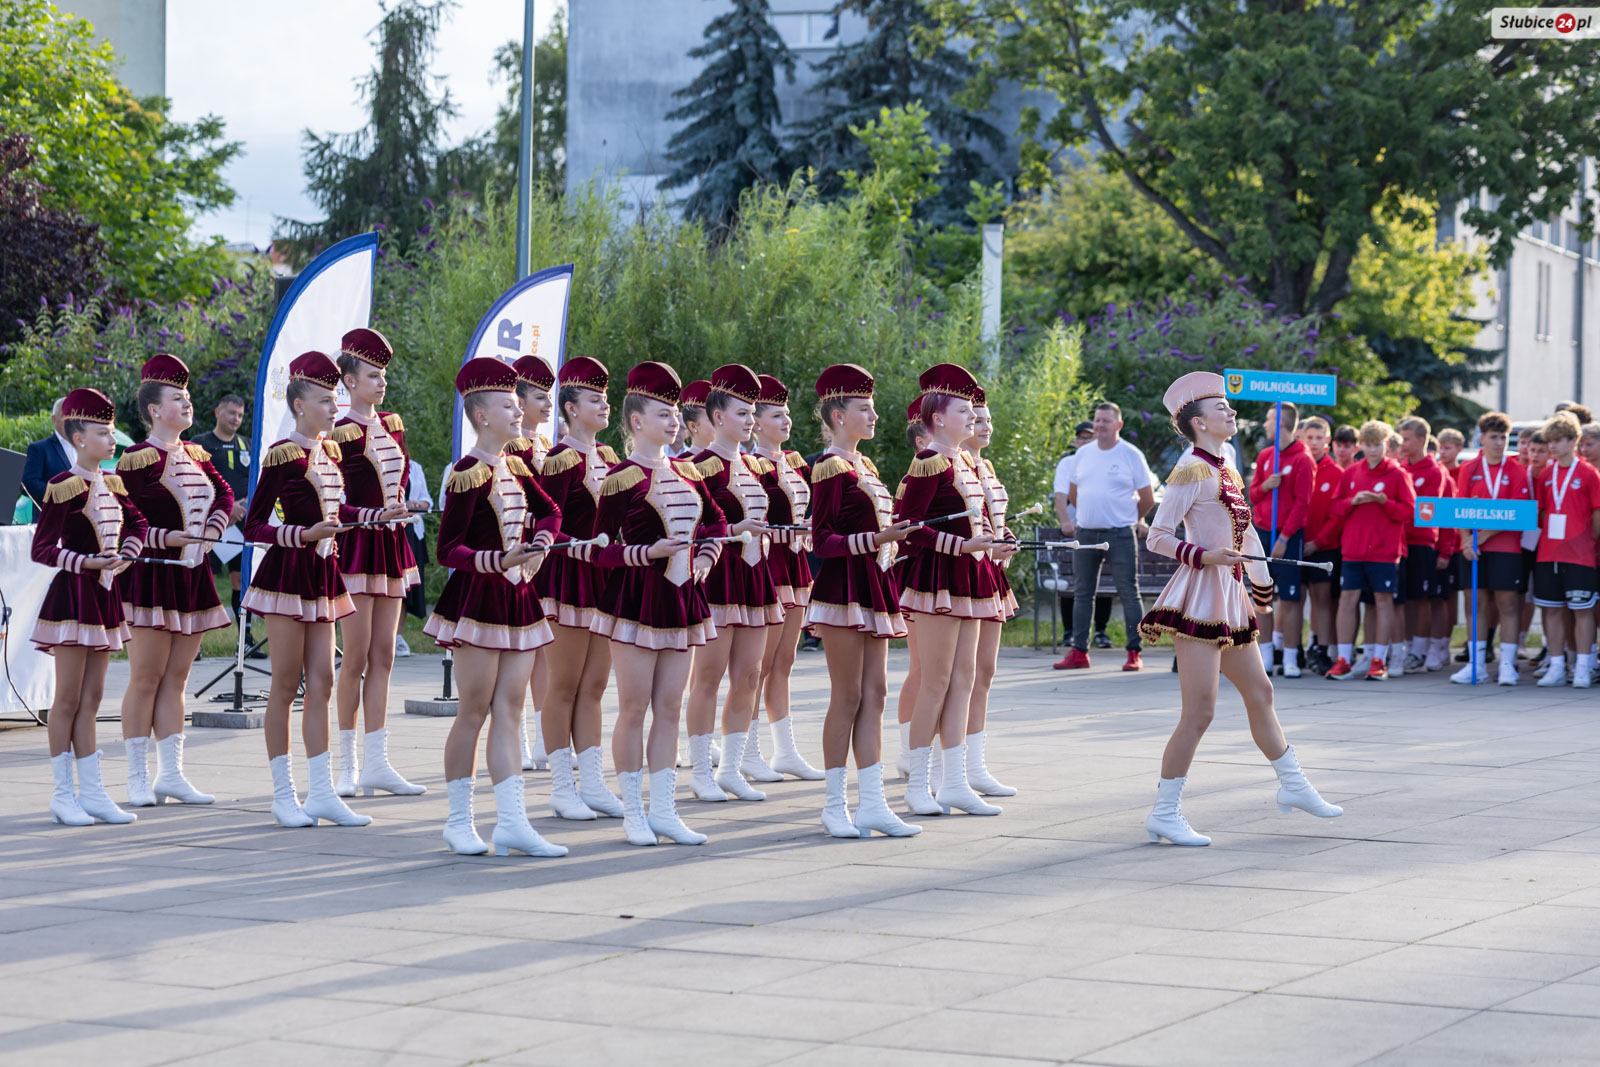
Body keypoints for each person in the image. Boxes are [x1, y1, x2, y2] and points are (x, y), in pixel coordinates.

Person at [1137, 371, 1341, 846]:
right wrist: (1204, 555)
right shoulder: (1190, 469)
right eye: (1221, 408)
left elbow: (1245, 533)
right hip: (1199, 595)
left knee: (1261, 692)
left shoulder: (1225, 464)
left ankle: (1293, 785)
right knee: (1200, 711)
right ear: (1199, 423)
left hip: (1229, 595)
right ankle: (1164, 812)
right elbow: (1157, 536)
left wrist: (1262, 584)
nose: (1231, 412)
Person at [425, 357, 566, 857]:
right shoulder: (466, 473)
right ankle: (458, 821)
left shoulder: (519, 466)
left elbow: (551, 511)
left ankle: (512, 822)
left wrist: (542, 543)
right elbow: (447, 550)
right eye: (509, 405)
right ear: (482, 416)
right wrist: (498, 560)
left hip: (518, 597)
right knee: (473, 710)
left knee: (511, 707)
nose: (519, 412)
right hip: (479, 599)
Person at [590, 361, 724, 846]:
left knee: (670, 706)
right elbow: (598, 550)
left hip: (683, 598)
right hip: (636, 599)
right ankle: (633, 812)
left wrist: (706, 558)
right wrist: (645, 553)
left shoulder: (689, 471)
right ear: (636, 421)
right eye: (662, 414)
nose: (673, 421)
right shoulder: (621, 477)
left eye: (674, 413)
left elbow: (716, 522)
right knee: (633, 706)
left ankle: (664, 811)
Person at [241, 351, 373, 829]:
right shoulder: (282, 454)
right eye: (325, 400)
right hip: (287, 576)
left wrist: (379, 515)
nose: (335, 407)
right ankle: (283, 796)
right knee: (284, 683)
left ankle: (321, 793)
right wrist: (302, 535)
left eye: (335, 398)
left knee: (324, 681)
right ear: (299, 405)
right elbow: (254, 525)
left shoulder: (330, 453)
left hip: (323, 576)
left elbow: (341, 510)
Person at [115, 355, 235, 808]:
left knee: (177, 680)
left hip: (193, 577)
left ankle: (171, 775)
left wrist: (214, 529)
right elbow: (125, 518)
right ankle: (135, 776)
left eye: (188, 397)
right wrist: (165, 537)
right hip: (151, 577)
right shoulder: (136, 459)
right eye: (177, 398)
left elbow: (224, 494)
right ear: (153, 410)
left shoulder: (198, 455)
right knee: (146, 677)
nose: (187, 404)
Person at [806, 363, 918, 838]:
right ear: (838, 415)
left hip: (874, 584)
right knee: (847, 695)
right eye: (864, 409)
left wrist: (895, 538)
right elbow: (821, 540)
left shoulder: (864, 466)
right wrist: (877, 538)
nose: (874, 416)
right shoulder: (829, 467)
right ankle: (834, 806)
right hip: (842, 589)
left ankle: (872, 804)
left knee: (876, 694)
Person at [32, 388, 146, 826]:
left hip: (104, 596)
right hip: (73, 597)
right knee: (67, 698)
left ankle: (93, 793)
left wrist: (127, 554)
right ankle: (63, 795)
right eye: (103, 433)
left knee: (93, 698)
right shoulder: (63, 485)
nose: (112, 439)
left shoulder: (113, 482)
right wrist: (86, 562)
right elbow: (42, 548)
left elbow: (138, 524)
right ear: (79, 438)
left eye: (112, 431)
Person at [896, 363, 1003, 818]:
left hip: (970, 577)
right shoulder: (928, 462)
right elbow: (907, 528)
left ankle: (955, 782)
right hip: (937, 579)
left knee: (964, 679)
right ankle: (918, 784)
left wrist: (995, 542)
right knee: (935, 681)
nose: (972, 417)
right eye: (963, 411)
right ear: (938, 418)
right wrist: (961, 545)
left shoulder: (966, 463)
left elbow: (977, 521)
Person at [329, 328, 426, 799]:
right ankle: (346, 763)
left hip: (391, 546)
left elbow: (398, 480)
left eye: (384, 374)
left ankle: (377, 762)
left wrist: (402, 505)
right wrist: (372, 515)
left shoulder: (393, 424)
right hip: (356, 547)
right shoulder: (337, 432)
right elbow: (332, 500)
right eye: (372, 374)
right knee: (355, 657)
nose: (381, 382)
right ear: (349, 380)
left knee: (385, 656)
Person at [533, 355, 627, 820]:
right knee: (564, 684)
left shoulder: (611, 458)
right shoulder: (559, 459)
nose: (604, 405)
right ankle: (560, 786)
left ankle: (592, 782)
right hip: (568, 576)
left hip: (604, 578)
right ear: (571, 408)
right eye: (594, 399)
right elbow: (544, 522)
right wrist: (582, 545)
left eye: (606, 398)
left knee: (594, 685)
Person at [686, 364, 785, 804]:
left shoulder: (758, 466)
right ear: (717, 416)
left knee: (749, 675)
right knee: (707, 677)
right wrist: (731, 531)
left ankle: (731, 767)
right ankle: (700, 771)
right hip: (717, 576)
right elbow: (687, 528)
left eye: (751, 413)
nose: (749, 420)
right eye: (741, 413)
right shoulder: (697, 467)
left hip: (755, 576)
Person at [747, 374, 825, 782]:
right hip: (766, 564)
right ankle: (747, 749)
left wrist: (809, 524)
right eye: (777, 415)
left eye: (787, 413)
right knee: (758, 665)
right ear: (756, 422)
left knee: (785, 661)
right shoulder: (749, 465)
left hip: (795, 565)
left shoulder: (795, 462)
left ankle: (785, 750)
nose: (786, 420)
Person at [1063, 402, 1156, 671]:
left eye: (1106, 420)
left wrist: (1126, 518)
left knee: (1128, 591)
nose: (1100, 425)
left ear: (1119, 425)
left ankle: (1134, 652)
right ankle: (1079, 652)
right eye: (1097, 420)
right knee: (1082, 592)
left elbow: (1148, 498)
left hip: (1120, 534)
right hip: (1086, 533)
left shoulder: (1131, 454)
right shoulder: (1083, 454)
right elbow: (1073, 493)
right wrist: (1091, 514)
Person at [1322, 421, 1416, 681]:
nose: (1373, 449)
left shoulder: (1397, 474)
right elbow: (1335, 508)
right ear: (1361, 445)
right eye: (1368, 444)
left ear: (1386, 445)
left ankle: (1379, 661)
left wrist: (1385, 502)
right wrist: (1352, 501)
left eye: (1378, 445)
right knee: (1347, 600)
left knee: (1383, 601)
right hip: (1353, 550)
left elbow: (1409, 512)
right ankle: (1343, 660)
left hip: (1384, 551)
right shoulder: (1352, 472)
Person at [506, 354, 562, 775]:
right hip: (516, 548)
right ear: (519, 401)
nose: (547, 404)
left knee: (545, 647)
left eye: (549, 396)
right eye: (539, 397)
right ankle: (518, 737)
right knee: (517, 646)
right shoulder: (507, 447)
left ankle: (546, 737)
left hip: (548, 550)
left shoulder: (550, 447)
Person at [964, 392, 1019, 797]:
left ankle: (975, 764)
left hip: (990, 575)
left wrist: (1006, 539)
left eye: (987, 420)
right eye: (976, 419)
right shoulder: (945, 464)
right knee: (955, 677)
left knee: (984, 672)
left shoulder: (985, 467)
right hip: (959, 578)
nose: (985, 426)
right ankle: (940, 764)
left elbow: (992, 520)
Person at [1452, 411, 1533, 686]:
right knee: (1475, 604)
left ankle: (1508, 665)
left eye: (1503, 437)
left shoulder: (1516, 470)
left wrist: (1482, 536)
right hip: (1472, 548)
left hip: (1506, 548)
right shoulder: (1469, 468)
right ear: (1482, 439)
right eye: (1494, 437)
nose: (1499, 443)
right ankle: (1476, 665)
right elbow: (1459, 508)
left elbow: (1518, 514)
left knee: (1507, 604)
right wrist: (1466, 540)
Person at [1531, 411, 1600, 688]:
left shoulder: (1589, 473)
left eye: (1558, 440)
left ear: (1573, 441)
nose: (1553, 446)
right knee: (1552, 610)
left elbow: (1597, 512)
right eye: (1550, 441)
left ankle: (1583, 667)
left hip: (1580, 554)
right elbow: (1542, 512)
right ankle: (1558, 666)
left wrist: (1588, 540)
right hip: (1549, 553)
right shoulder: (1546, 474)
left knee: (1583, 611)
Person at [1246, 402, 1315, 676]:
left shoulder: (1302, 459)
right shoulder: (1266, 456)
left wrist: (1284, 538)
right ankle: (1265, 656)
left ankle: (1290, 656)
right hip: (1262, 531)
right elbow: (1253, 494)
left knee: (1290, 598)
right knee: (1262, 597)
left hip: (1288, 536)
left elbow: (1302, 504)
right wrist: (1267, 485)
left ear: (1281, 424)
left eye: (1268, 419)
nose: (1264, 424)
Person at [1396, 416, 1455, 674]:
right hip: (1402, 543)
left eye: (1406, 439)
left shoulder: (1434, 472)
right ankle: (1410, 647)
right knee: (1408, 599)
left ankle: (1425, 649)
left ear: (1421, 440)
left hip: (1424, 543)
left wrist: (1445, 550)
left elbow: (1439, 514)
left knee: (1426, 599)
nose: (1402, 443)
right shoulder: (1400, 468)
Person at [1051, 420, 1113, 664]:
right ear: (1075, 441)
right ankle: (1070, 631)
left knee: (1104, 581)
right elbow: (1060, 496)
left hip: (1103, 529)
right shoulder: (1067, 463)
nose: (1085, 441)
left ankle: (1101, 631)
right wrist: (1065, 521)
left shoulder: (1106, 460)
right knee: (1074, 581)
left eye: (1090, 437)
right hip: (1075, 531)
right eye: (1082, 438)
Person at [190, 394, 252, 630]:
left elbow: (256, 480)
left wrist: (242, 506)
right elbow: (194, 483)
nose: (236, 419)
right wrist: (226, 508)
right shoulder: (200, 443)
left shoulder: (248, 444)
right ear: (218, 412)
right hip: (211, 523)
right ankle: (196, 636)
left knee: (240, 580)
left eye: (240, 415)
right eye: (231, 413)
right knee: (205, 580)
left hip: (240, 524)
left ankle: (245, 638)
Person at [1299, 416, 1342, 675]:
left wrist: (1318, 542)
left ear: (1327, 441)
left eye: (1319, 438)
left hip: (1322, 547)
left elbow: (1336, 516)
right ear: (1302, 439)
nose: (1314, 443)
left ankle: (1322, 648)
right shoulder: (1298, 466)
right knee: (1295, 598)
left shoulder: (1336, 473)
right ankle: (1294, 648)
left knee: (1322, 599)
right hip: (1296, 543)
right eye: (1309, 438)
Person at [400, 457, 432, 653]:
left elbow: (428, 500)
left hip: (413, 532)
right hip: (392, 529)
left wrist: (416, 504)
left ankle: (397, 635)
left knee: (407, 589)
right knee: (394, 584)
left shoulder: (415, 467)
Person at [21, 397, 76, 511]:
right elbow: (27, 485)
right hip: (51, 518)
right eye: (65, 415)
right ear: (54, 419)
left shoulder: (86, 448)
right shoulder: (39, 449)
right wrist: (61, 492)